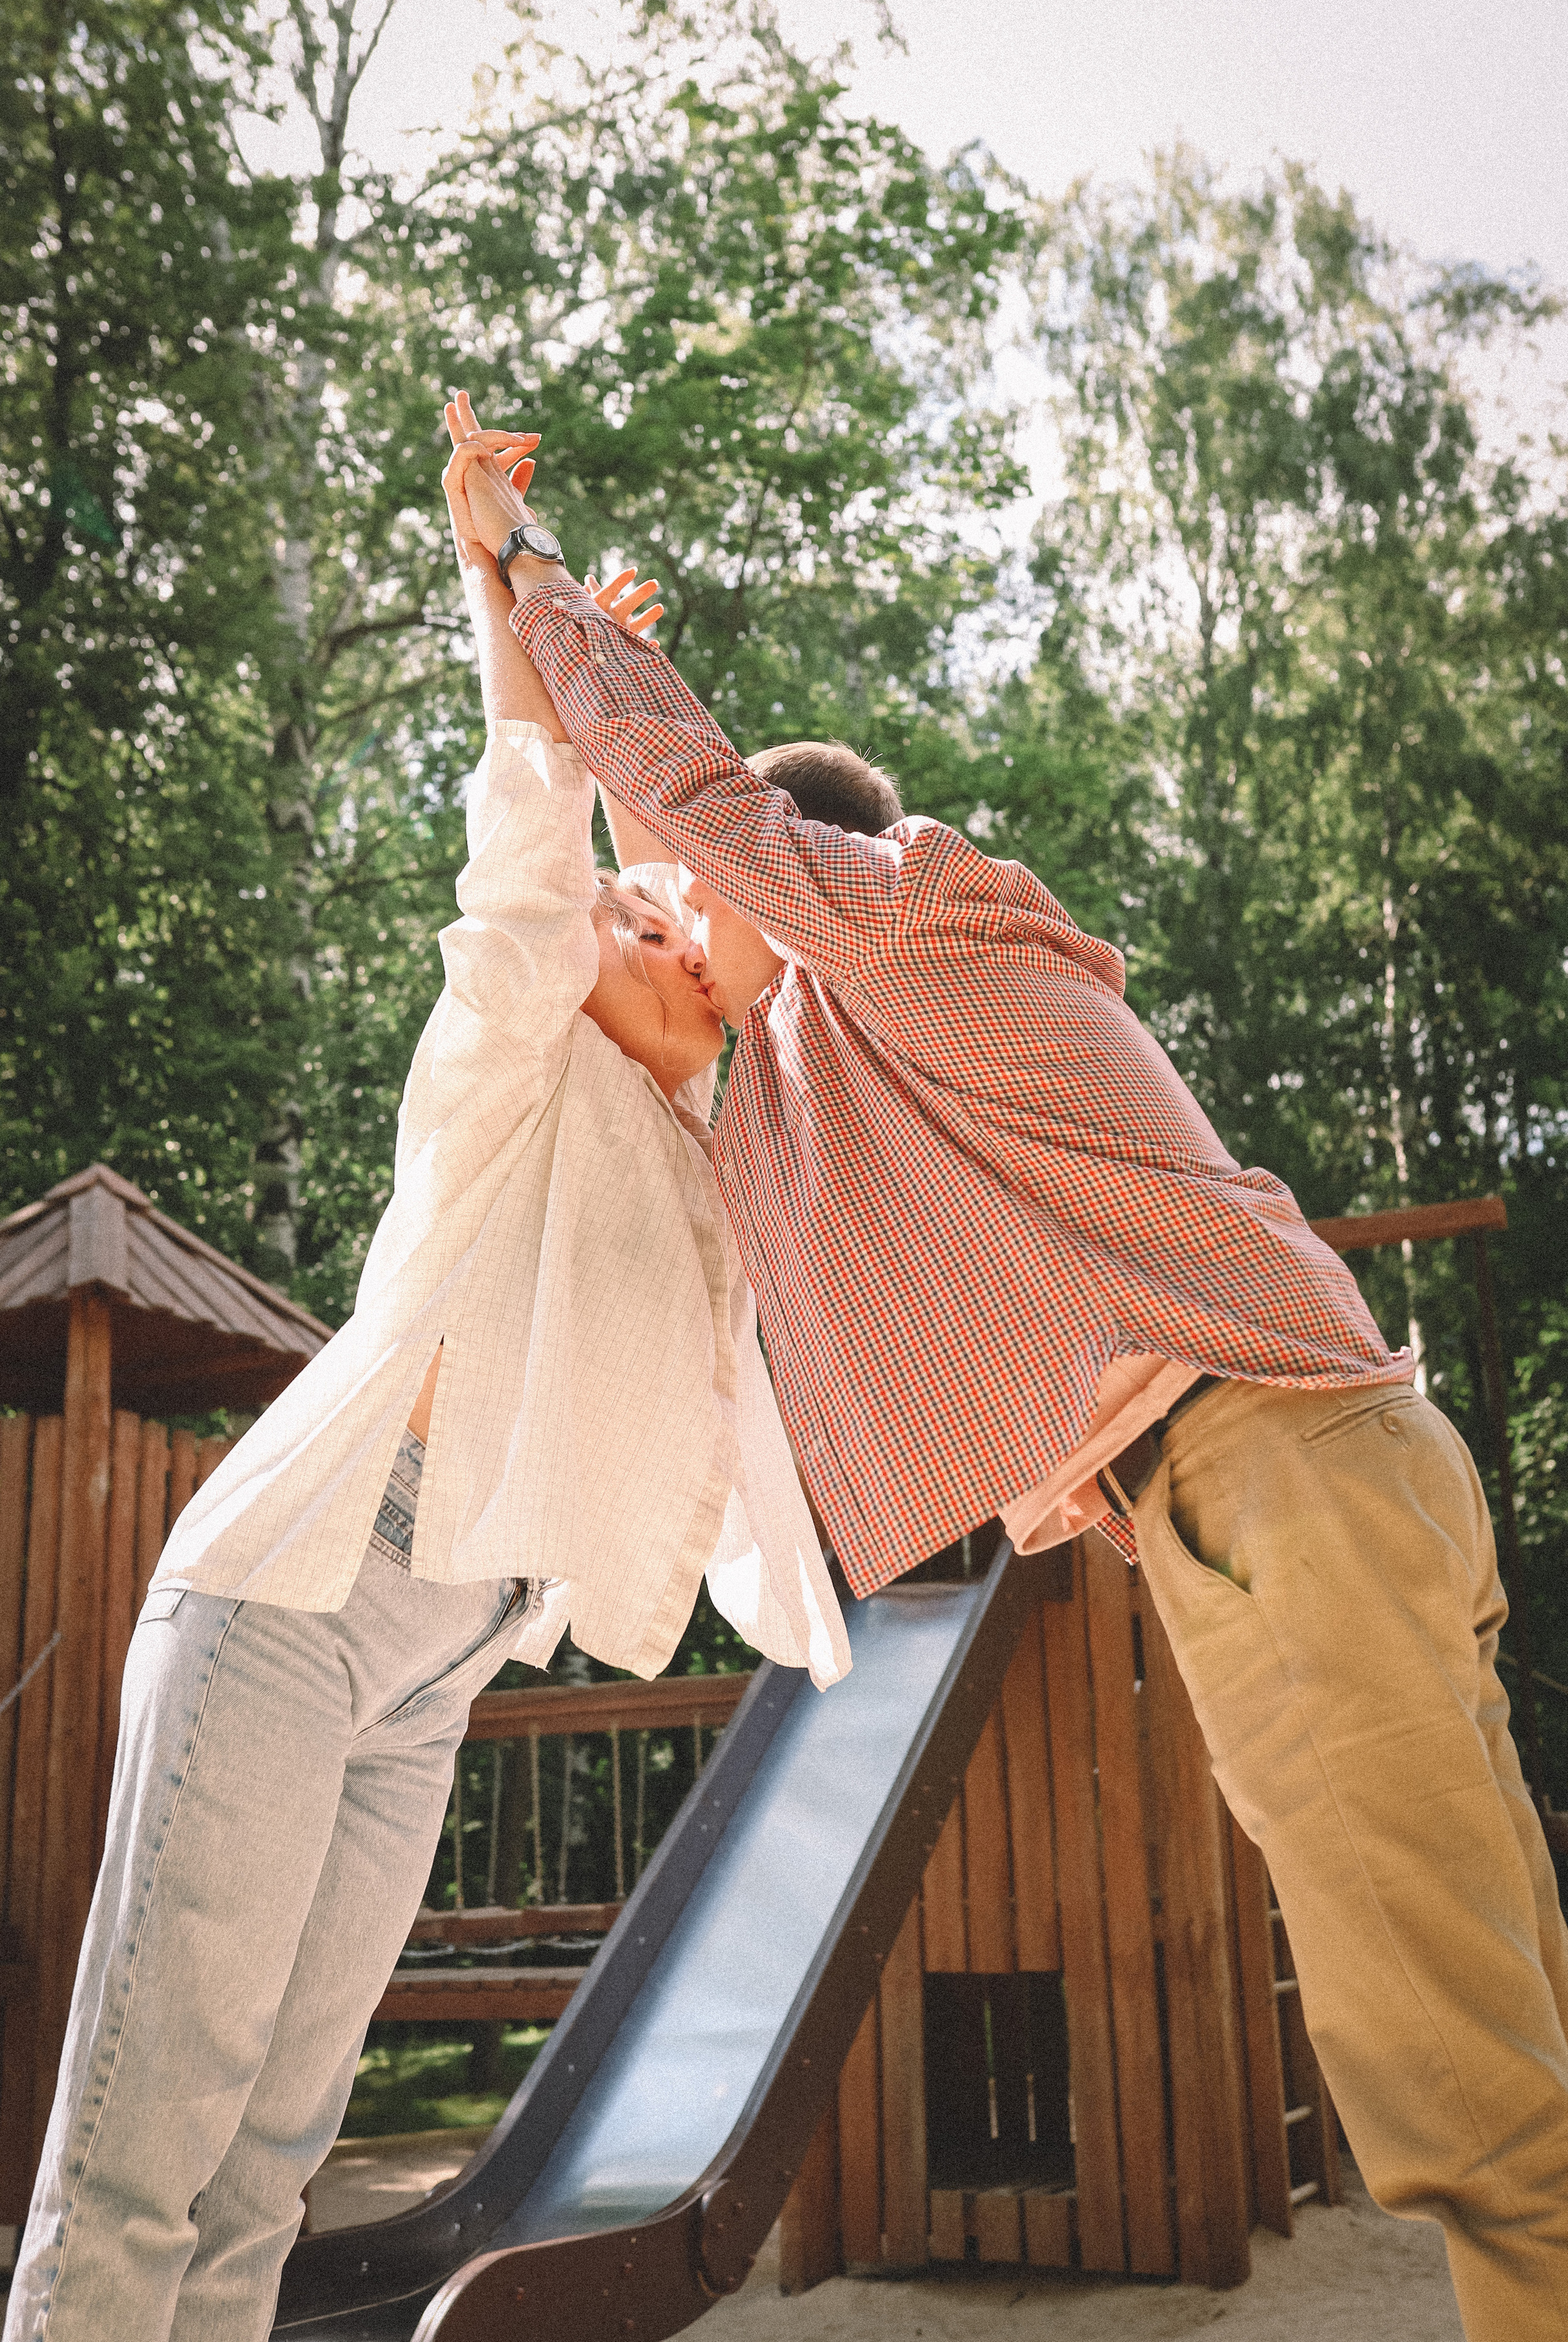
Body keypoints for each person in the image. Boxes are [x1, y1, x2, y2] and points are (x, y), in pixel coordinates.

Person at [445, 397, 1568, 2341]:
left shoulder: (919, 919)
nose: (684, 941)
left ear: (793, 875)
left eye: (702, 908)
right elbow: (650, 904)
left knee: (1468, 2108)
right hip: (1305, 1477)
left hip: (1280, 1481)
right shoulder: (851, 1077)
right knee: (1510, 2021)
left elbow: (710, 823)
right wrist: (531, 650)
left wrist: (539, 582)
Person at [4, 413, 847, 2342]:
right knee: (146, 2157)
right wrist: (510, 588)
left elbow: (752, 936)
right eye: (621, 916)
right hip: (295, 1599)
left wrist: (627, 716)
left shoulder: (722, 1158)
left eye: (665, 921)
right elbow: (529, 866)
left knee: (267, 2177)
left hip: (432, 1662)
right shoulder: (510, 1072)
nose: (646, 927)